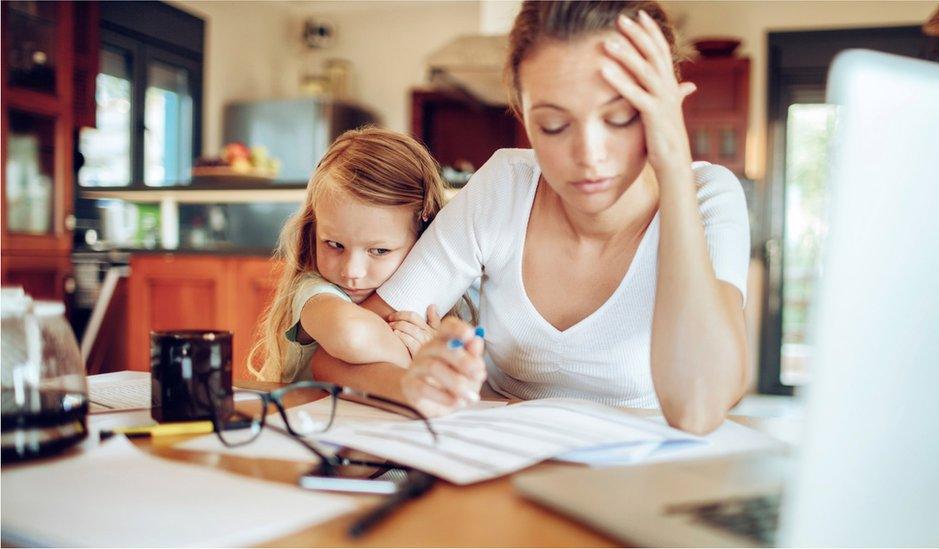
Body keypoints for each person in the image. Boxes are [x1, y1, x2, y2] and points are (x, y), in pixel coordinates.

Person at [313, 1, 750, 434]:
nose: (589, 157)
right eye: (554, 126)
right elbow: (333, 358)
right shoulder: (504, 187)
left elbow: (699, 409)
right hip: (499, 464)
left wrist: (672, 162)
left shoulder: (707, 197)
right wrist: (413, 383)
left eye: (620, 117)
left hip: (639, 478)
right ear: (522, 113)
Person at [246, 127, 474, 386]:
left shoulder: (439, 304)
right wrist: (426, 359)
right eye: (334, 244)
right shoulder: (315, 292)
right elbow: (349, 333)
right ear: (314, 228)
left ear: (423, 237)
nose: (351, 271)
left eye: (379, 251)